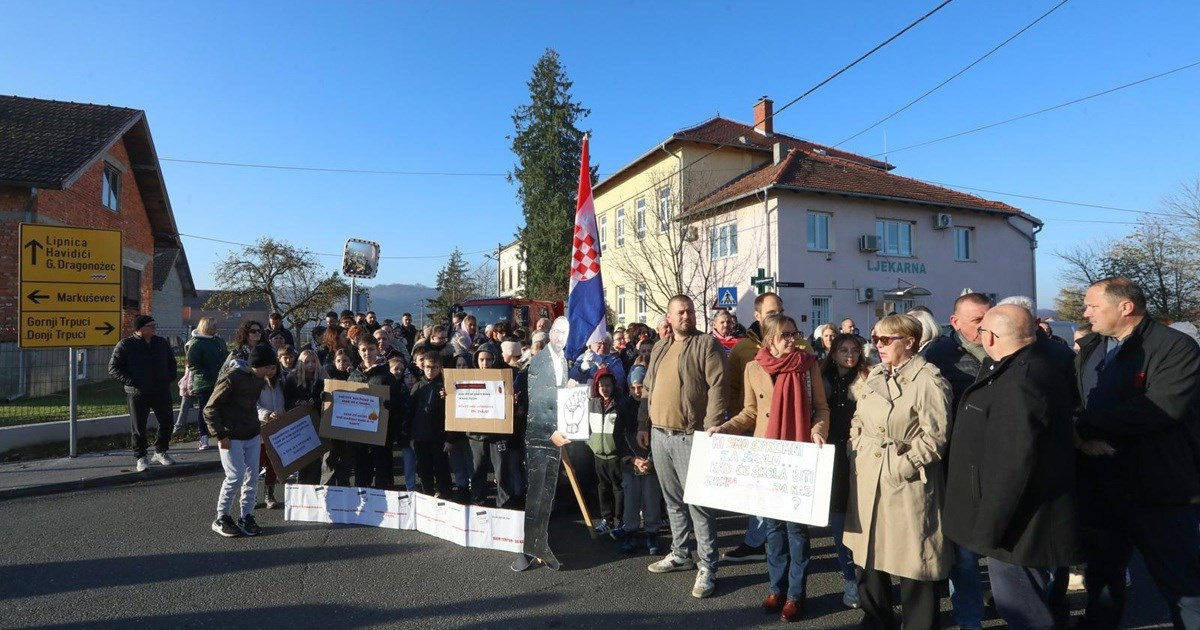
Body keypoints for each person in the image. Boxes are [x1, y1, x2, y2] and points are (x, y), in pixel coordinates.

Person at [943, 304, 1083, 628]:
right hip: (1018, 520)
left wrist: (990, 527)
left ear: (990, 337)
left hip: (1017, 526)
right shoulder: (1022, 367)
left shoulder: (1020, 380)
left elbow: (1014, 464)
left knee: (1023, 610)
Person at [1074, 277, 1200, 629]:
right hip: (1102, 485)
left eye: (1093, 306)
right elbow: (1079, 399)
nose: (1086, 313)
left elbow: (1160, 408)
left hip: (1161, 488)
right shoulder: (1092, 347)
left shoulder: (1174, 347)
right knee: (1101, 579)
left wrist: (1086, 426)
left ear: (1125, 307)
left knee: (1182, 586)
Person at [710, 313, 829, 621]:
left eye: (794, 333)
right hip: (768, 455)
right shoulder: (753, 368)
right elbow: (750, 412)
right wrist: (724, 428)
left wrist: (818, 430)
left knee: (796, 531)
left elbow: (821, 407)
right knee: (773, 529)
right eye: (785, 335)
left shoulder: (808, 364)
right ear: (770, 339)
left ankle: (795, 594)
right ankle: (776, 588)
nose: (792, 339)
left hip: (799, 454)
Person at [844, 314, 952, 630]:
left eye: (886, 339)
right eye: (876, 339)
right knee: (868, 554)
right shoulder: (874, 375)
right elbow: (858, 419)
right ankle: (875, 618)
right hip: (867, 476)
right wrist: (856, 447)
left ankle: (919, 624)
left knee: (912, 560)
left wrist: (900, 466)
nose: (878, 345)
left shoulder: (929, 381)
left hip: (906, 481)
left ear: (910, 341)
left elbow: (936, 438)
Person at [636, 295, 728, 599]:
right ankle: (680, 553)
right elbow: (647, 389)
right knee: (672, 500)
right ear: (669, 317)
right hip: (660, 435)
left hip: (692, 435)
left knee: (698, 504)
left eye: (689, 311)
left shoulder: (705, 344)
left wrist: (711, 426)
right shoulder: (661, 346)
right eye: (680, 312)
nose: (685, 315)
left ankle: (708, 565)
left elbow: (718, 385)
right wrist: (642, 425)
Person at [920, 292, 993, 630]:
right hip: (958, 467)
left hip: (1002, 465)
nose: (986, 326)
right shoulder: (938, 356)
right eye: (977, 320)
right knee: (963, 555)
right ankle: (970, 620)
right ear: (956, 323)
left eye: (989, 317)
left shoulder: (1010, 348)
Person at [724, 291, 786, 562]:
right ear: (758, 316)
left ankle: (784, 546)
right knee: (757, 490)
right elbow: (734, 390)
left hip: (789, 434)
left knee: (786, 494)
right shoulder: (742, 349)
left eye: (780, 311)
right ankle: (755, 541)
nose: (777, 317)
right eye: (771, 313)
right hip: (755, 430)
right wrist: (737, 427)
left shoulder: (799, 347)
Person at [204, 344, 276, 537]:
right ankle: (222, 517)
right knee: (235, 477)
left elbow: (253, 405)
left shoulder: (259, 379)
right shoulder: (231, 378)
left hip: (252, 434)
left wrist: (265, 416)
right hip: (231, 436)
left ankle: (246, 516)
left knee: (252, 478)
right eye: (268, 367)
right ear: (257, 365)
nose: (272, 371)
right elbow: (210, 409)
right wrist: (220, 435)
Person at [821, 332, 870, 609]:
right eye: (843, 350)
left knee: (864, 520)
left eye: (854, 349)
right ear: (833, 353)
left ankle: (869, 579)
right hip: (832, 455)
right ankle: (849, 578)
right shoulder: (822, 378)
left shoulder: (869, 378)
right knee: (839, 522)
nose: (849, 355)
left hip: (860, 454)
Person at [108, 315, 178, 472]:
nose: (154, 328)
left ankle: (161, 451)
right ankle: (141, 456)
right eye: (151, 326)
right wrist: (132, 381)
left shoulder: (161, 343)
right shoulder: (126, 345)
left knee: (167, 422)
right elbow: (113, 368)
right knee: (139, 426)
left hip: (161, 390)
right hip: (138, 392)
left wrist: (169, 376)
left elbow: (172, 362)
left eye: (155, 325)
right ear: (139, 329)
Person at [348, 336, 408, 489]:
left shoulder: (385, 375)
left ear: (377, 350)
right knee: (361, 465)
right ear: (359, 351)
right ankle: (362, 493)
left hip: (381, 430)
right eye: (363, 350)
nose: (367, 353)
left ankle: (384, 493)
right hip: (358, 429)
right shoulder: (354, 376)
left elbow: (397, 400)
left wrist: (388, 404)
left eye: (371, 349)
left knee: (382, 464)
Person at [618, 363, 662, 555]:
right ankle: (631, 530)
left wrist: (651, 459)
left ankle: (652, 531)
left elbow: (661, 434)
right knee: (631, 498)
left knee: (651, 498)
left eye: (641, 387)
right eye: (634, 387)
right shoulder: (624, 406)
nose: (637, 391)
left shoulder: (657, 406)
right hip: (631, 462)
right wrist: (633, 459)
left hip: (652, 461)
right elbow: (618, 436)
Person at [466, 342, 515, 507]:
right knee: (478, 468)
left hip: (498, 434)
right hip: (476, 434)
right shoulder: (469, 377)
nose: (484, 363)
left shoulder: (507, 376)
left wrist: (513, 400)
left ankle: (504, 503)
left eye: (488, 359)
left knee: (501, 471)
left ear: (495, 359)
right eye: (481, 360)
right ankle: (478, 499)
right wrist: (449, 396)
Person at [587, 369, 630, 538]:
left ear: (613, 386)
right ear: (596, 386)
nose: (605, 388)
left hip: (615, 455)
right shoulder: (592, 404)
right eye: (601, 385)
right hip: (598, 454)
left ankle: (621, 520)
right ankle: (607, 519)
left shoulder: (621, 404)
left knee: (618, 488)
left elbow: (625, 429)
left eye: (608, 385)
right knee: (603, 487)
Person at [408, 349, 457, 498]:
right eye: (427, 367)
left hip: (439, 438)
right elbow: (411, 413)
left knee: (442, 470)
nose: (430, 370)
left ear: (440, 368)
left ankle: (445, 496)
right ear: (423, 366)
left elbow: (453, 414)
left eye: (434, 367)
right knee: (423, 470)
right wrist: (411, 436)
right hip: (420, 437)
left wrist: (450, 438)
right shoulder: (418, 386)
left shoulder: (446, 387)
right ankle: (426, 496)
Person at [286, 348, 327, 485]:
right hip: (299, 423)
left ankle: (314, 488)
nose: (310, 365)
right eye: (306, 362)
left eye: (313, 361)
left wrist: (317, 400)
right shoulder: (292, 378)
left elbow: (328, 398)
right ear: (300, 363)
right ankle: (301, 488)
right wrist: (298, 402)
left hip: (317, 421)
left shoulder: (322, 378)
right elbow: (286, 399)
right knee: (303, 458)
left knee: (316, 458)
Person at [256, 350, 287, 509]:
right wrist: (266, 414)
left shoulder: (281, 383)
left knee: (273, 464)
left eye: (273, 368)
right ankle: (251, 494)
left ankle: (269, 494)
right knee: (256, 464)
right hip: (261, 430)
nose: (270, 371)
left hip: (278, 430)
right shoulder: (257, 384)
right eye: (267, 368)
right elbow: (254, 405)